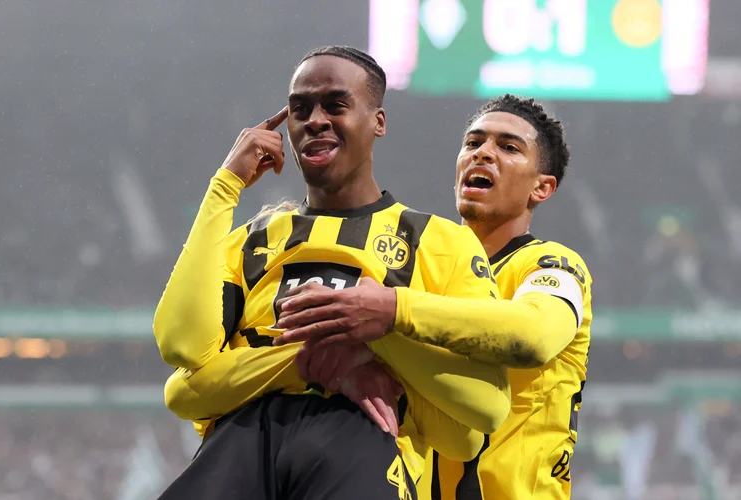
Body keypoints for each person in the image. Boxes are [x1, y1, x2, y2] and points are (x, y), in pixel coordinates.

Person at [153, 46, 511, 500]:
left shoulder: (440, 241)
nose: (314, 120)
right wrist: (225, 186)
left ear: (378, 122)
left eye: (335, 105)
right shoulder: (252, 240)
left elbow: (486, 410)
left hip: (364, 444)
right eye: (300, 109)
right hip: (243, 440)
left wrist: (383, 330)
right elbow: (180, 347)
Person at [273, 94, 593, 500]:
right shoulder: (423, 272)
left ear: (542, 187)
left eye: (508, 147)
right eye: (473, 143)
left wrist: (394, 310)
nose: (483, 154)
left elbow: (535, 334)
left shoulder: (550, 264)